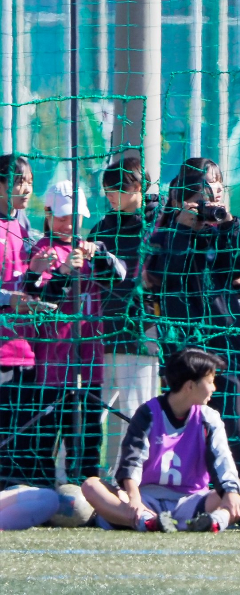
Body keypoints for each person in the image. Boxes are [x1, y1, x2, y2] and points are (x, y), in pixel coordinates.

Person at [142, 165, 240, 472]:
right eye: (208, 185)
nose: (215, 191)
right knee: (184, 421)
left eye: (219, 184)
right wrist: (181, 229)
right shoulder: (165, 229)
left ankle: (232, 489)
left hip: (224, 338)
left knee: (234, 422)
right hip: (183, 340)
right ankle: (187, 484)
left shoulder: (224, 226)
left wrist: (229, 224)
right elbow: (161, 276)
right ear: (189, 192)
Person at [81, 348, 240, 533]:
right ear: (190, 386)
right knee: (91, 486)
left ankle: (213, 522)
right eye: (210, 381)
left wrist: (230, 492)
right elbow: (131, 459)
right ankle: (149, 521)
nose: (214, 388)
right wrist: (133, 498)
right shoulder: (148, 413)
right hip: (145, 500)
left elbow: (222, 458)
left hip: (193, 502)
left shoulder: (209, 417)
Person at [23, 181, 128, 486]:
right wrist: (65, 271)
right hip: (52, 366)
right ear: (47, 214)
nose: (69, 224)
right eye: (62, 217)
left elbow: (119, 276)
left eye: (74, 217)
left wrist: (100, 256)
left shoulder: (89, 246)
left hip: (89, 364)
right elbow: (42, 299)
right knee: (44, 438)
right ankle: (41, 492)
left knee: (86, 438)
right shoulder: (42, 249)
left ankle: (87, 490)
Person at [88, 157, 158, 458]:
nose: (111, 195)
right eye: (107, 189)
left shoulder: (158, 225)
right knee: (90, 412)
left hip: (140, 334)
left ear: (139, 186)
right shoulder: (102, 227)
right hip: (100, 334)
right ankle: (80, 477)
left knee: (137, 412)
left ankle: (132, 480)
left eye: (118, 188)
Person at [0, 155, 39, 487]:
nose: (25, 189)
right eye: (17, 182)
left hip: (25, 349)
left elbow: (27, 282)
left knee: (23, 430)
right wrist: (9, 299)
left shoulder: (25, 228)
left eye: (28, 182)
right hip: (2, 350)